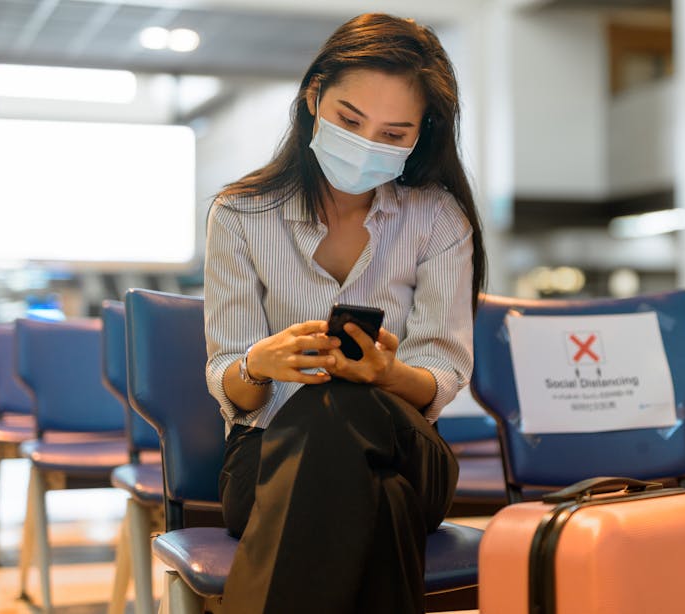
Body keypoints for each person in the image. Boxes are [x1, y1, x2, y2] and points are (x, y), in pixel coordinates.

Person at [203, 13, 487, 614]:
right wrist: (260, 363)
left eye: (392, 134)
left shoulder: (437, 219)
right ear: (313, 98)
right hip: (266, 455)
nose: (366, 145)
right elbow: (228, 374)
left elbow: (441, 370)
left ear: (421, 134)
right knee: (378, 496)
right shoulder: (241, 214)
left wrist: (385, 375)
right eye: (350, 121)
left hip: (410, 447)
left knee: (344, 403)